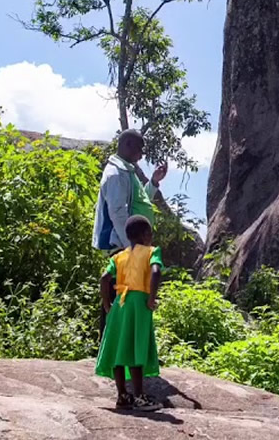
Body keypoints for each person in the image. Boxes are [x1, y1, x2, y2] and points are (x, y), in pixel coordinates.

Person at [95, 214, 164, 411]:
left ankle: (122, 396)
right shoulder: (152, 251)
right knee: (136, 347)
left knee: (119, 348)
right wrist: (151, 299)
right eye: (150, 233)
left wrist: (107, 305)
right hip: (138, 303)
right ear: (145, 234)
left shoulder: (118, 256)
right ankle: (140, 397)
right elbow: (156, 272)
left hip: (120, 303)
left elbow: (104, 278)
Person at [92, 129, 168, 253]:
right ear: (128, 144)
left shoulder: (126, 172)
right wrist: (131, 246)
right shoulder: (116, 174)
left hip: (128, 244)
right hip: (118, 245)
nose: (141, 155)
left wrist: (154, 181)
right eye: (139, 149)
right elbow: (118, 213)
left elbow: (140, 201)